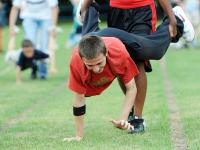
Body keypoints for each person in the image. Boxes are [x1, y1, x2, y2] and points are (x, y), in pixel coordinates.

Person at [64, 4, 194, 141]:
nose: (96, 69)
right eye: (90, 65)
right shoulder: (78, 59)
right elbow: (78, 100)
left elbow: (131, 87)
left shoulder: (117, 50)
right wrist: (78, 136)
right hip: (104, 25)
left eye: (99, 64)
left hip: (122, 29)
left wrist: (123, 118)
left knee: (153, 51)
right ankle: (90, 8)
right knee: (88, 37)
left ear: (106, 53)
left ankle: (179, 19)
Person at [9, 0, 59, 79]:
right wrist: (11, 27)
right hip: (29, 17)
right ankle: (33, 69)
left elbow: (54, 8)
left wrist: (53, 27)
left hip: (46, 18)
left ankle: (43, 73)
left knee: (44, 46)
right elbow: (14, 8)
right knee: (29, 45)